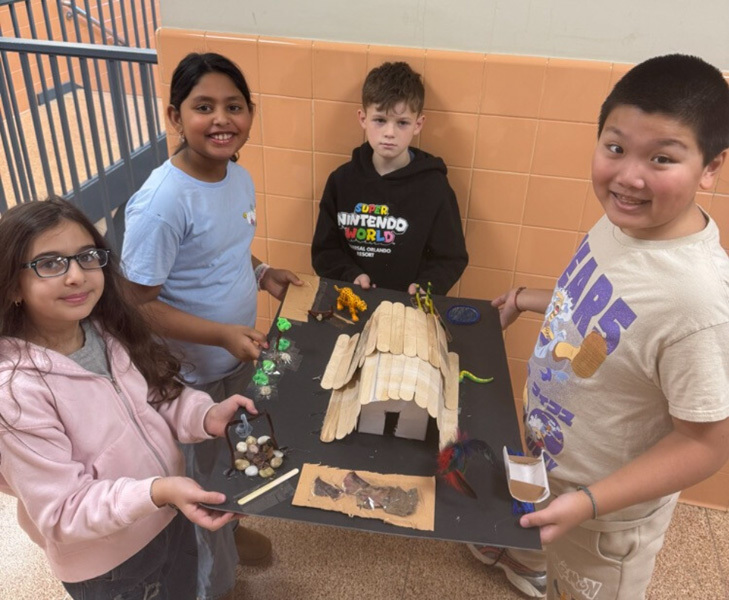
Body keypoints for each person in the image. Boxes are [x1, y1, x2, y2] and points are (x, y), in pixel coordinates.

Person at [469, 53, 729, 599]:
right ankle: (524, 558)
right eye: (615, 148)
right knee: (534, 524)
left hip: (606, 519)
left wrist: (587, 503)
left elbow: (706, 444)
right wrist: (525, 298)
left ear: (711, 166)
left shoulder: (698, 302)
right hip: (550, 458)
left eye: (662, 158)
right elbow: (599, 313)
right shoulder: (624, 220)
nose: (628, 176)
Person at [0, 197, 258, 600]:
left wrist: (206, 415)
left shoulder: (104, 330)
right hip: (109, 562)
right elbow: (62, 511)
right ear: (14, 285)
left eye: (87, 257)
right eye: (50, 263)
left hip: (168, 515)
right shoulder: (16, 391)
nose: (76, 276)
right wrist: (157, 491)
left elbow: (156, 396)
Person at [121, 52, 301, 600]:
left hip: (232, 362)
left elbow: (225, 252)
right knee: (200, 490)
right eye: (204, 107)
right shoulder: (162, 201)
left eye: (234, 106)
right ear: (175, 117)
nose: (222, 119)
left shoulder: (237, 177)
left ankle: (234, 531)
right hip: (188, 378)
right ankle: (213, 585)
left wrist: (263, 272)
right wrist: (222, 334)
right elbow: (136, 302)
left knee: (238, 457)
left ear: (251, 113)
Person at [311, 61, 468, 295]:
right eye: (380, 120)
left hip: (409, 307)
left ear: (418, 124)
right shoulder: (341, 181)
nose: (389, 133)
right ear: (363, 119)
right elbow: (325, 251)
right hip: (351, 300)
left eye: (402, 122)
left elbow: (451, 257)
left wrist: (426, 286)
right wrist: (350, 275)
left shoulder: (434, 187)